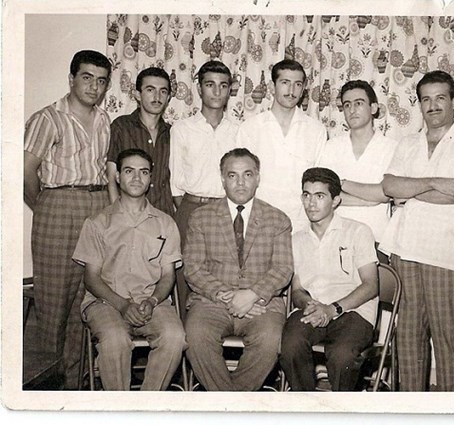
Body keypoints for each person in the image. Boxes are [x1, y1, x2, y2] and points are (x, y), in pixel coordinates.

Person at [379, 70, 454, 391]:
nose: (433, 105)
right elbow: (389, 186)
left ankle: (450, 410)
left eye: (441, 98)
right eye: (426, 99)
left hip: (446, 255)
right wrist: (435, 182)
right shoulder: (408, 142)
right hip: (405, 250)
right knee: (408, 339)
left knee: (448, 340)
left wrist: (410, 190)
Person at [23, 50, 112, 389]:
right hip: (59, 205)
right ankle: (45, 386)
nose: (94, 87)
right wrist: (46, 206)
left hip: (97, 205)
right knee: (54, 303)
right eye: (87, 78)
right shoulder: (48, 118)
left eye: (101, 81)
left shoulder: (104, 120)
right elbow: (25, 171)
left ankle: (74, 385)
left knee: (83, 301)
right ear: (72, 79)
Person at [72, 148, 187, 391]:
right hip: (106, 302)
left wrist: (153, 300)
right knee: (115, 340)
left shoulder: (166, 223)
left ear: (150, 178)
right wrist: (123, 305)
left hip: (151, 302)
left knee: (174, 336)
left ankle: (147, 404)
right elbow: (91, 278)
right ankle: (119, 406)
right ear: (117, 177)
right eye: (129, 171)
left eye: (143, 172)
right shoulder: (98, 222)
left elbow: (168, 275)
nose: (136, 178)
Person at [183, 148, 293, 391]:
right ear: (223, 179)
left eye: (247, 175)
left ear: (258, 178)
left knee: (270, 339)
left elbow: (283, 269)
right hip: (212, 302)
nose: (240, 182)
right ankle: (233, 404)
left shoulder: (278, 219)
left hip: (262, 305)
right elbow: (193, 268)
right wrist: (231, 296)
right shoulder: (201, 217)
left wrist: (252, 295)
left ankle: (229, 403)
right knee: (196, 335)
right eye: (232, 175)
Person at [279, 167, 378, 391]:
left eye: (320, 196)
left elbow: (371, 285)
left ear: (335, 201)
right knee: (291, 346)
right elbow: (297, 290)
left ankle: (339, 408)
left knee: (342, 355)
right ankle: (306, 406)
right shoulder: (296, 240)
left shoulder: (358, 231)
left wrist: (332, 310)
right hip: (313, 310)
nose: (311, 203)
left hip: (353, 311)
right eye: (306, 195)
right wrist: (310, 305)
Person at [237, 59, 327, 231]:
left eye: (297, 84)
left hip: (301, 225)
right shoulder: (250, 128)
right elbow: (242, 181)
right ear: (272, 87)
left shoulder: (316, 130)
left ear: (303, 89)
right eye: (285, 82)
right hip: (258, 224)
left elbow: (319, 183)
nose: (291, 90)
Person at [318, 80, 399, 263]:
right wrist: (367, 199)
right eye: (347, 105)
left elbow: (385, 193)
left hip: (376, 238)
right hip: (334, 237)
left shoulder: (392, 148)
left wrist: (342, 184)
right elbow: (323, 194)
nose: (352, 109)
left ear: (373, 108)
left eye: (359, 103)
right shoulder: (331, 147)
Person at [170, 60, 239, 242]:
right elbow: (175, 184)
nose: (217, 92)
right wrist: (189, 212)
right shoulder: (182, 129)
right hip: (191, 207)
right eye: (210, 85)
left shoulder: (239, 131)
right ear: (199, 89)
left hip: (227, 210)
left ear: (229, 90)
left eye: (223, 86)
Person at [106, 67, 175, 216]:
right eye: (150, 90)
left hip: (163, 216)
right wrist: (118, 216)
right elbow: (111, 178)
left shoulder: (173, 133)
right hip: (128, 215)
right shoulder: (121, 127)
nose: (157, 96)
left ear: (169, 97)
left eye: (163, 91)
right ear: (138, 94)